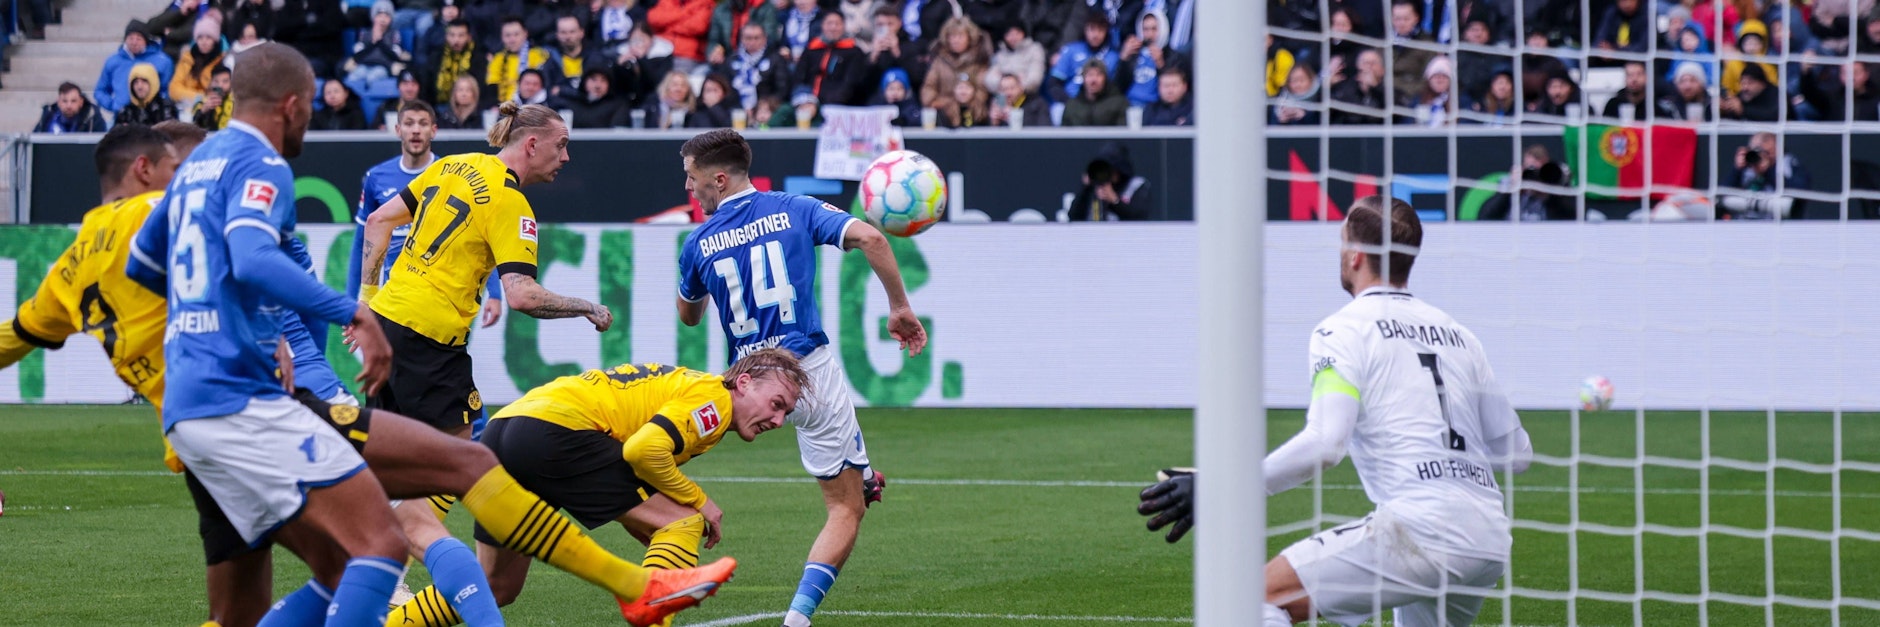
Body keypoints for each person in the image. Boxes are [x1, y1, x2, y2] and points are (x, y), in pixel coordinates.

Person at [1139, 196, 1533, 627]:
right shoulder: (1460, 336)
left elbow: (1326, 444)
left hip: (1420, 529)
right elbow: (1518, 454)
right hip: (1487, 539)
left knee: (1245, 599)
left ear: (1356, 255)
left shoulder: (1342, 329)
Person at [122, 41, 411, 627]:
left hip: (188, 404)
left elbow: (142, 263)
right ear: (292, 105)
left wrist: (235, 322)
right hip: (238, 399)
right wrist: (352, 313)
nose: (308, 117)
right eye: (307, 106)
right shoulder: (261, 163)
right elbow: (252, 258)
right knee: (380, 543)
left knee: (259, 603)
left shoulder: (198, 164)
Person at [675, 129, 921, 627]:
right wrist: (898, 307)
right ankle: (798, 618)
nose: (689, 189)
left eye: (692, 179)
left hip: (744, 384)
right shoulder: (794, 209)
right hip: (807, 372)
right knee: (845, 509)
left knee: (658, 456)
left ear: (718, 181)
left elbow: (689, 316)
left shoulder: (697, 242)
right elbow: (872, 237)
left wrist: (704, 282)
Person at [398, 353, 805, 626]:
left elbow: (630, 477)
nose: (779, 419)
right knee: (684, 521)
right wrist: (701, 501)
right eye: (777, 403)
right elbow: (643, 451)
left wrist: (649, 522)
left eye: (786, 411)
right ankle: (650, 608)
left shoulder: (695, 390)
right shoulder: (715, 400)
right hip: (557, 434)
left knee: (496, 584)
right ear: (745, 383)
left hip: (508, 430)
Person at [96, 20, 176, 113]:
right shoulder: (113, 61)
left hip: (152, 115)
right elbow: (100, 90)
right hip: (122, 116)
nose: (134, 42)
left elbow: (168, 89)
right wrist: (113, 105)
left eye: (138, 39)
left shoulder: (163, 61)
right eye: (130, 38)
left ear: (146, 41)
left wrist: (159, 106)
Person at [793, 11, 867, 107]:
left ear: (843, 27)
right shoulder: (811, 50)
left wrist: (831, 102)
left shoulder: (854, 52)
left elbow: (850, 83)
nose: (833, 28)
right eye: (829, 23)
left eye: (837, 24)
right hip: (808, 103)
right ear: (822, 26)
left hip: (839, 104)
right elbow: (799, 78)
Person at [484, 17, 549, 107]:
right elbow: (492, 87)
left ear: (525, 34)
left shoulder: (539, 55)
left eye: (516, 34)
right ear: (502, 37)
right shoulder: (497, 59)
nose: (512, 39)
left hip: (534, 108)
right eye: (508, 35)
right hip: (505, 108)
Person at [423, 20, 486, 105]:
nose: (456, 40)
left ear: (469, 37)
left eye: (461, 35)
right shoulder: (436, 56)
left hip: (470, 106)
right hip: (440, 105)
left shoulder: (478, 57)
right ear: (446, 36)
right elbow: (428, 87)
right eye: (452, 35)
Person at [545, 15, 608, 100]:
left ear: (582, 33)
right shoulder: (551, 62)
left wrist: (562, 90)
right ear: (557, 35)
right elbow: (550, 92)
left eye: (572, 32)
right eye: (563, 32)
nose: (568, 37)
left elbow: (597, 91)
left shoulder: (596, 58)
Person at [170, 18, 226, 106]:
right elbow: (174, 88)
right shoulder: (187, 58)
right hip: (186, 106)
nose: (204, 42)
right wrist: (198, 98)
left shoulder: (222, 61)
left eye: (208, 37)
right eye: (200, 38)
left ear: (215, 40)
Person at [1060, 59, 1128, 126]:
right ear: (1084, 79)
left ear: (1105, 78)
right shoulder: (1072, 105)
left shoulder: (1119, 103)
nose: (1093, 80)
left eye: (1098, 75)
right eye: (1090, 75)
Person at [34, 82, 109, 134]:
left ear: (81, 102)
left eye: (73, 101)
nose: (69, 106)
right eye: (64, 101)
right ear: (58, 102)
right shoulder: (48, 116)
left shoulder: (93, 117)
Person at [193, 66, 235, 131]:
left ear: (231, 83)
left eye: (225, 81)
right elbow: (194, 123)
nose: (220, 85)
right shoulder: (202, 101)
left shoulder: (237, 102)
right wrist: (204, 110)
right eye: (216, 81)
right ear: (211, 82)